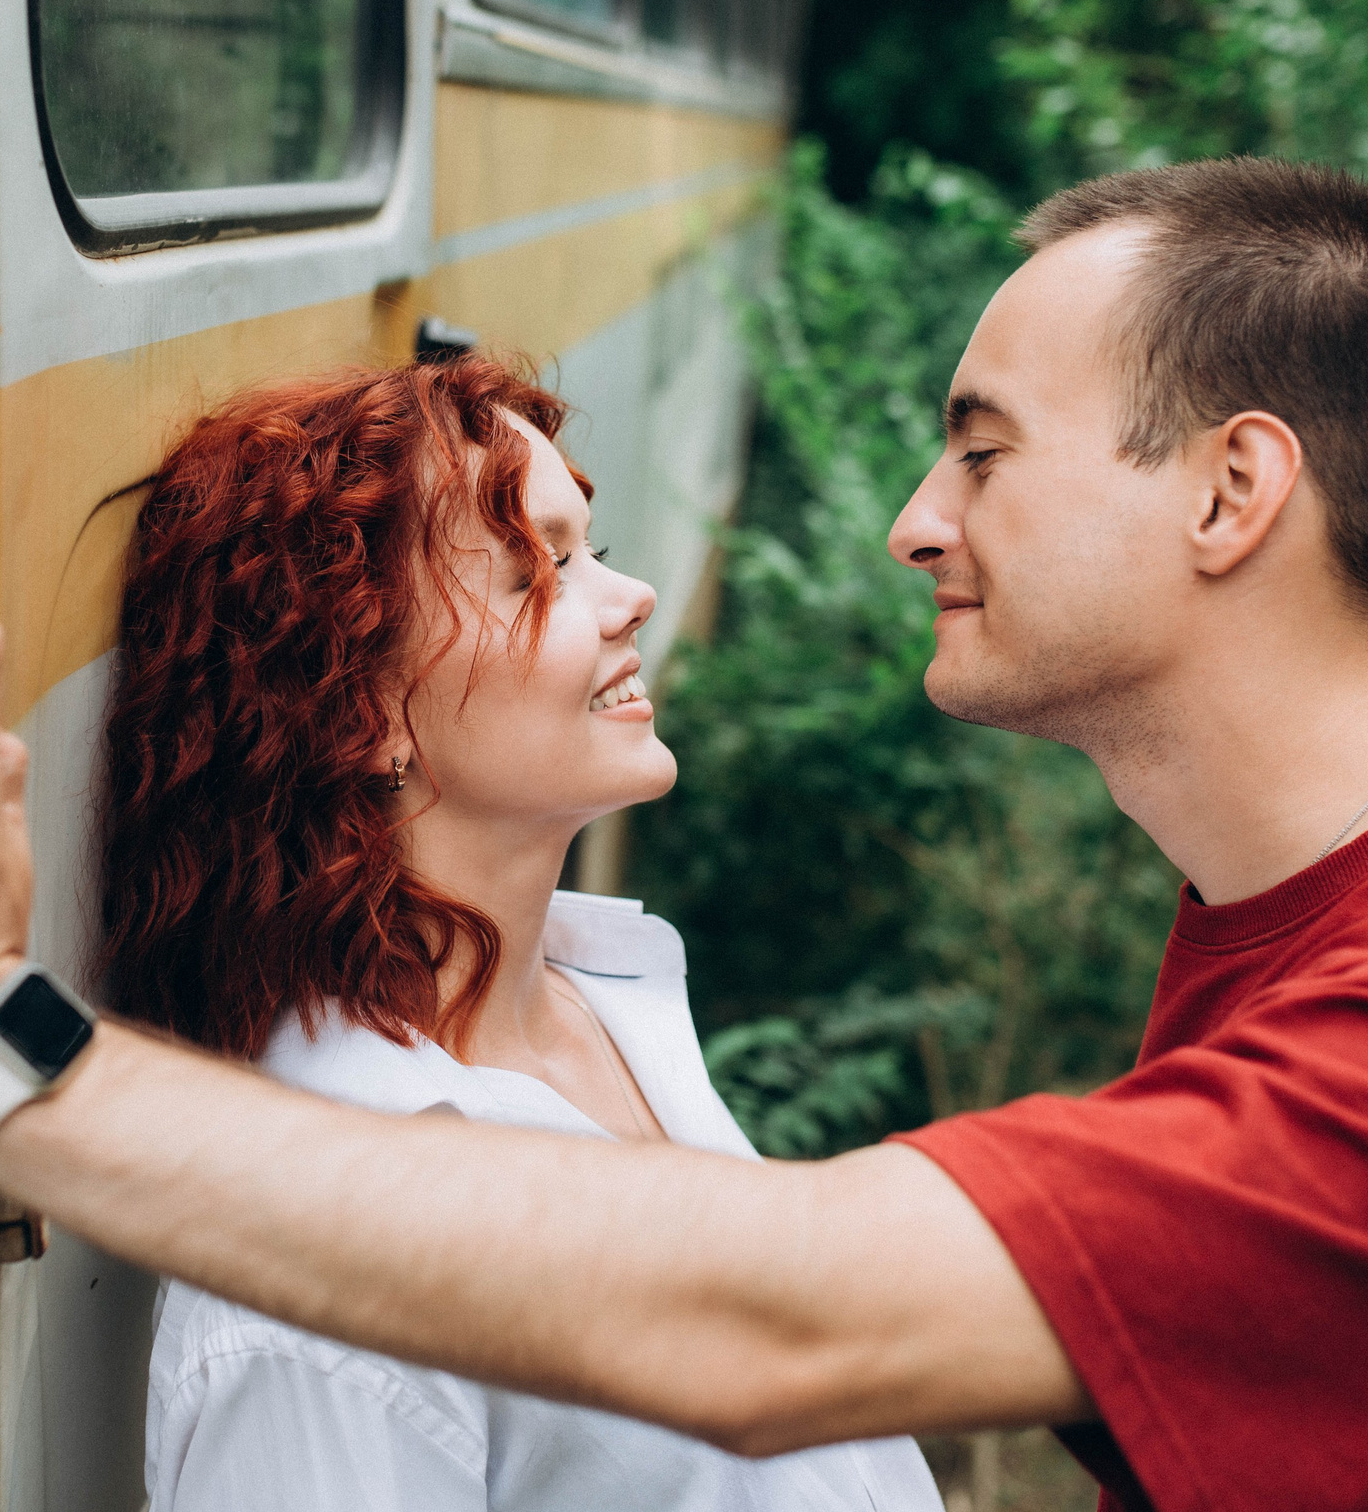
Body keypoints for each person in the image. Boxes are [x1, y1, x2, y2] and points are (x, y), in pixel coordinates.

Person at [0, 158, 1368, 1512]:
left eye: (978, 447)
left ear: (1231, 492)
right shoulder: (1307, 924)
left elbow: (778, 1313)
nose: (910, 518)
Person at [91, 354, 940, 1510]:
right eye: (534, 564)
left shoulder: (607, 1003)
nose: (629, 593)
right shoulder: (324, 1267)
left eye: (588, 544)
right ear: (360, 707)